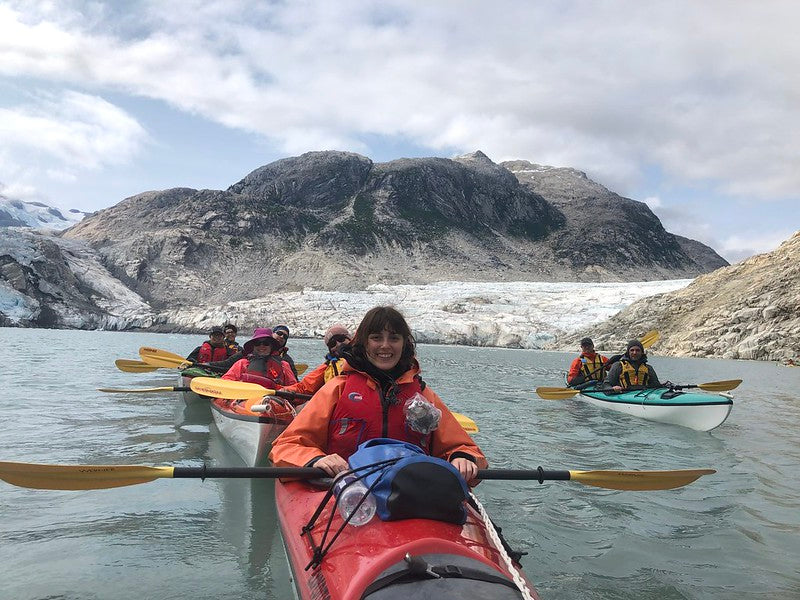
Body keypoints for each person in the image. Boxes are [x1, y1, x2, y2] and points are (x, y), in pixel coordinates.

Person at [269, 306, 487, 484]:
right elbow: (286, 446)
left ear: (404, 344)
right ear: (364, 343)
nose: (385, 346)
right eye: (376, 338)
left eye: (394, 338)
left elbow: (462, 447)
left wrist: (463, 457)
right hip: (346, 492)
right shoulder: (337, 389)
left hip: (412, 494)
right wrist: (315, 459)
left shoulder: (422, 395)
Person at [281, 324, 351, 397]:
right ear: (330, 349)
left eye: (341, 339)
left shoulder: (363, 356)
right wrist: (283, 391)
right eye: (332, 344)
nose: (338, 344)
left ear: (349, 338)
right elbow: (305, 387)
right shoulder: (327, 367)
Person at [221, 327, 297, 389]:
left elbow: (294, 387)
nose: (262, 346)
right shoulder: (242, 363)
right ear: (253, 346)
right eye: (258, 343)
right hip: (245, 400)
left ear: (271, 346)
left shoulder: (284, 365)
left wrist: (280, 389)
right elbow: (226, 381)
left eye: (266, 343)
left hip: (274, 401)